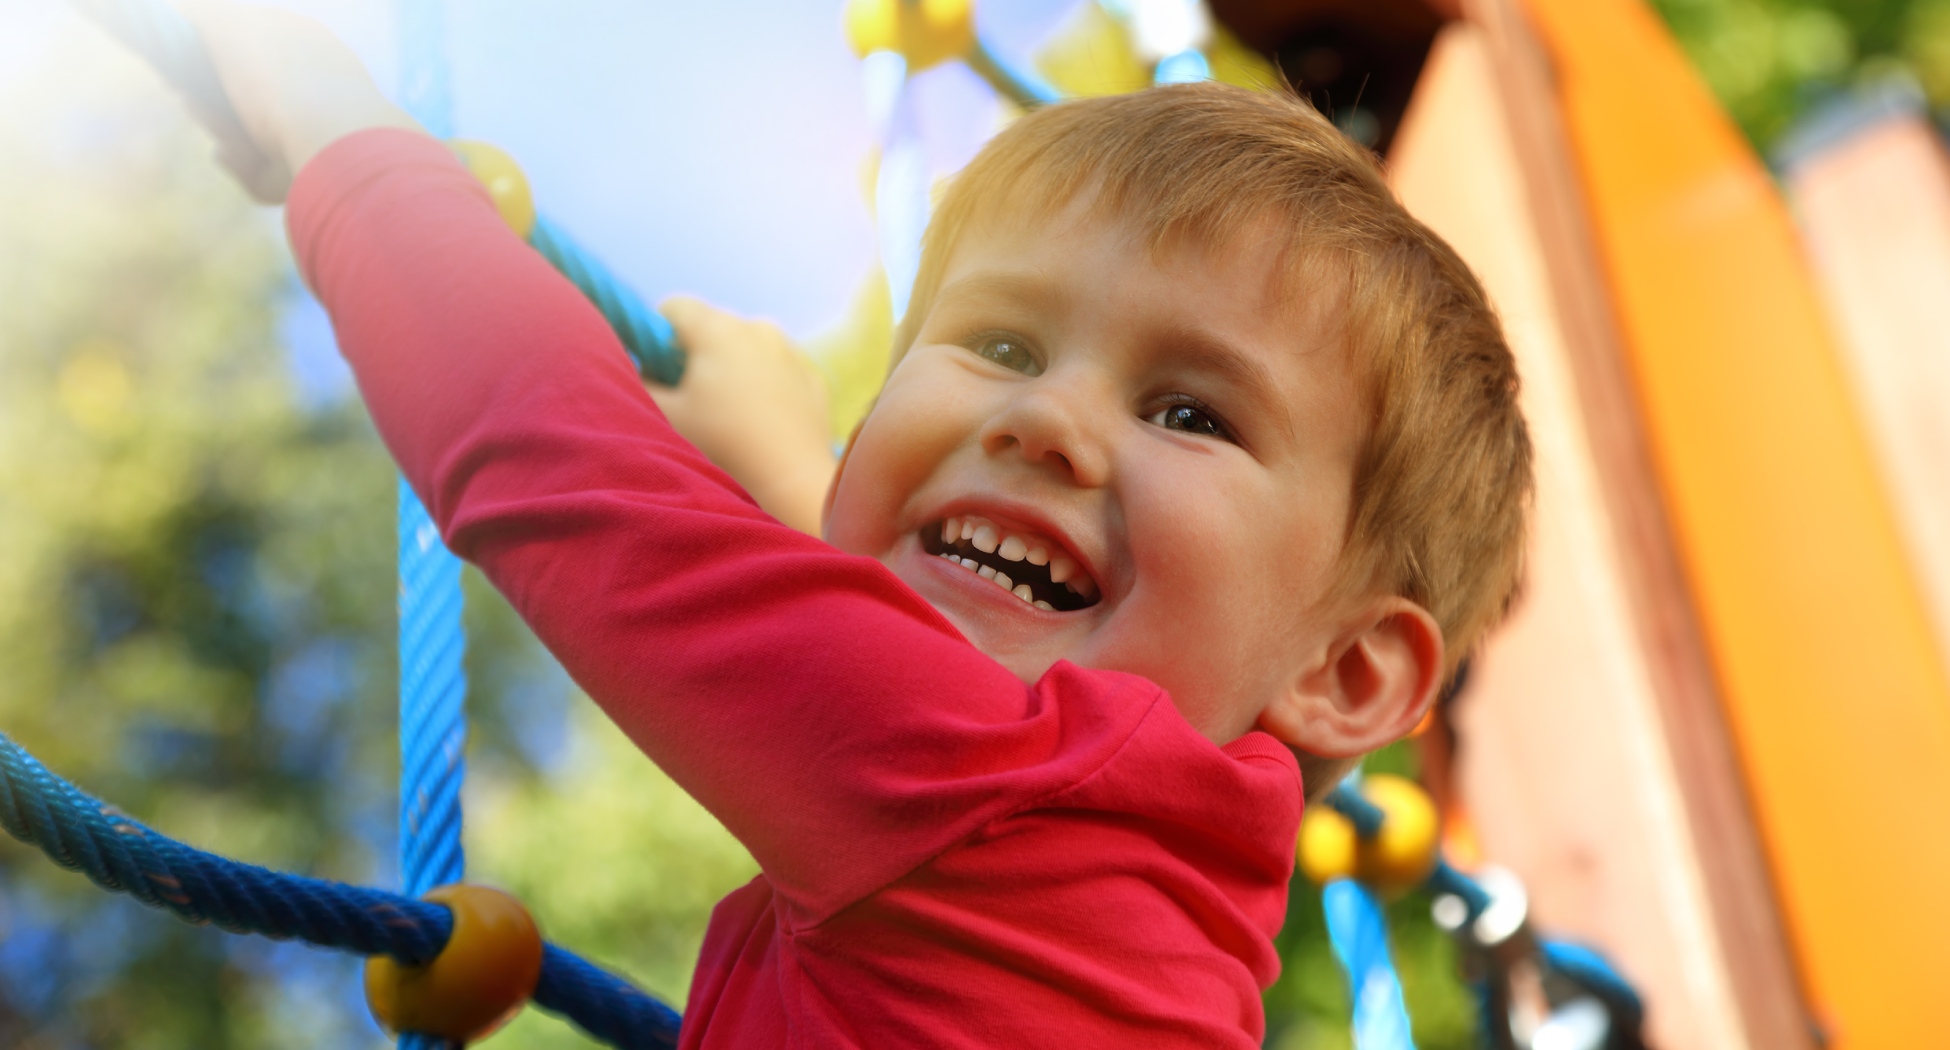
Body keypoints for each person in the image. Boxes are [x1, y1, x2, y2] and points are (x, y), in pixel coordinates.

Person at [182, 2, 1530, 1045]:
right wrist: (795, 473)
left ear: (1347, 670)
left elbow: (552, 460)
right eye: (1001, 341)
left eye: (1189, 413)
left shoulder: (1010, 806)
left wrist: (328, 118)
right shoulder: (1133, 897)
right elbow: (899, 644)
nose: (1043, 419)